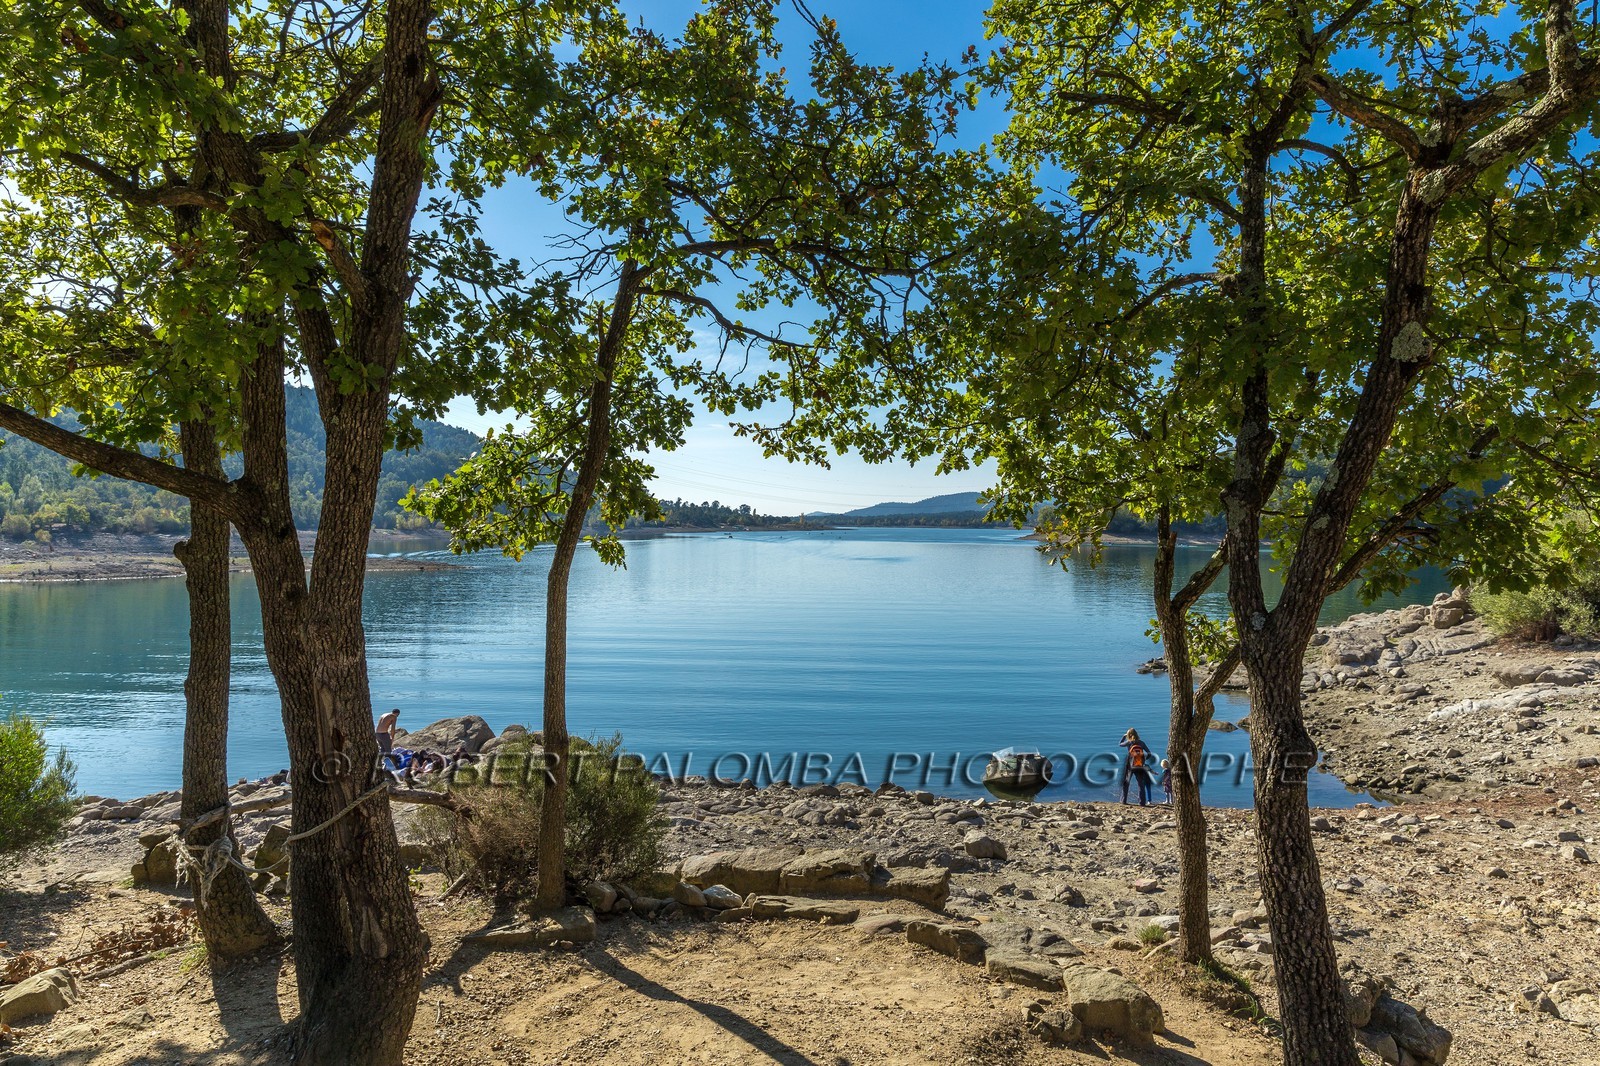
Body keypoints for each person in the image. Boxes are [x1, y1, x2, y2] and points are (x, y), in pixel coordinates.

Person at [1119, 728, 1156, 806]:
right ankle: (1142, 802)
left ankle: (1123, 801)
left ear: (1129, 735)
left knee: (1126, 782)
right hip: (1139, 765)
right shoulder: (1142, 743)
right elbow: (1149, 753)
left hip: (1130, 765)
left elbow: (1120, 744)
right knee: (1140, 784)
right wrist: (1143, 760)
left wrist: (1123, 736)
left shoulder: (1129, 742)